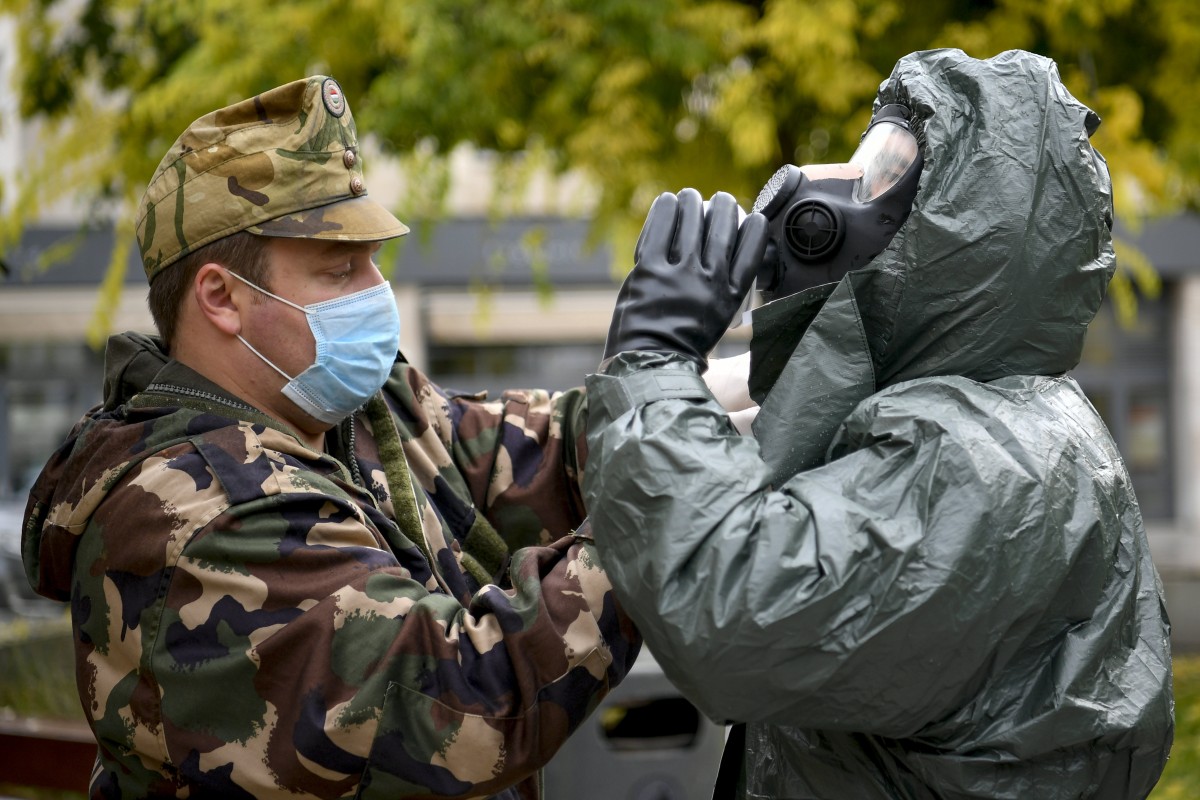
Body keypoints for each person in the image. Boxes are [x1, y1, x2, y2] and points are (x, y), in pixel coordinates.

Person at [21, 75, 642, 799]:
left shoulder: (350, 415)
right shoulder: (206, 511)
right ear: (221, 298)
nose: (375, 291)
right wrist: (658, 504)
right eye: (341, 268)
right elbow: (467, 702)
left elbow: (538, 454)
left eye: (373, 260)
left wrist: (696, 384)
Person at [583, 48, 1174, 799]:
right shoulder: (984, 414)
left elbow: (736, 621)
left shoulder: (977, 461)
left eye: (890, 171)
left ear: (972, 231)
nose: (846, 189)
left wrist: (650, 362)